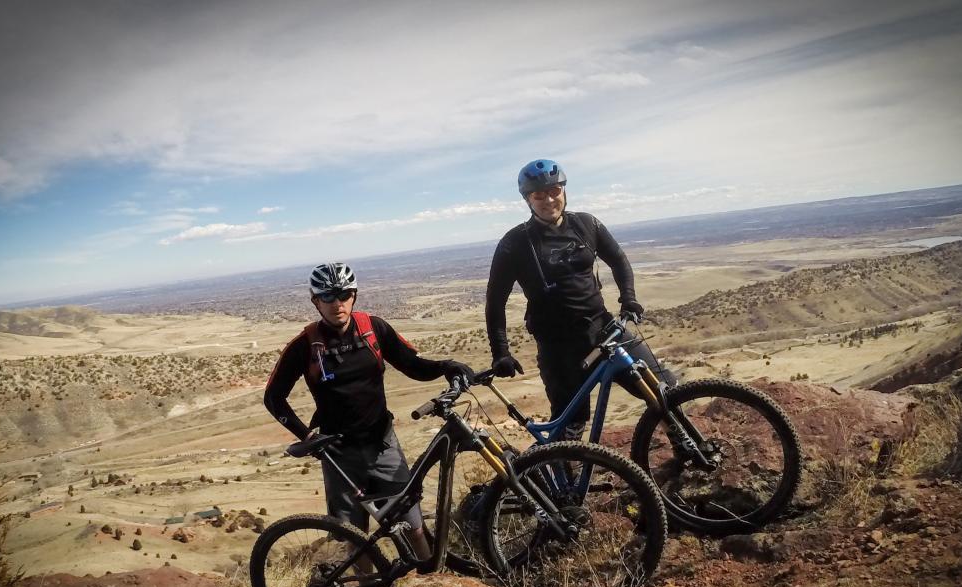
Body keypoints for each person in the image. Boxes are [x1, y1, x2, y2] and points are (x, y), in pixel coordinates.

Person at [264, 262, 474, 557]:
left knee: (412, 523)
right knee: (354, 537)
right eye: (327, 297)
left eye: (344, 294)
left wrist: (446, 366)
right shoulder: (305, 345)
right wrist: (306, 436)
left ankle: (430, 581)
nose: (337, 303)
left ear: (354, 295)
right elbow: (274, 397)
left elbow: (412, 365)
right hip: (338, 453)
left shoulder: (373, 329)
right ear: (315, 301)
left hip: (381, 443)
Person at [485, 159, 675, 439]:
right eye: (539, 195)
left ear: (563, 190)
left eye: (555, 191)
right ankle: (567, 482)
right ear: (528, 199)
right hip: (558, 348)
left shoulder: (586, 224)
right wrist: (501, 352)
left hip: (605, 330)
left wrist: (629, 299)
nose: (549, 199)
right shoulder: (515, 243)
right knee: (570, 425)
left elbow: (619, 261)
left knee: (662, 388)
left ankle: (686, 448)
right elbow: (495, 301)